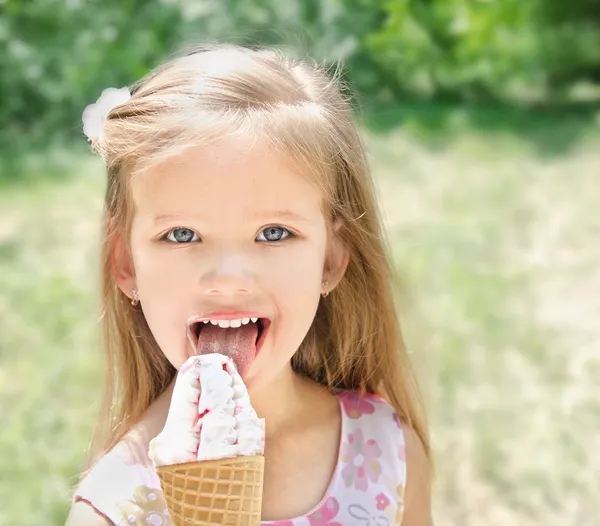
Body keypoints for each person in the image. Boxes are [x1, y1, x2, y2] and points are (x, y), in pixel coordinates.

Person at [66, 42, 433, 526]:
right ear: (126, 263)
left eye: (273, 233)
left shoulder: (387, 452)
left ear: (332, 258)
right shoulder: (114, 508)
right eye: (182, 234)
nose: (228, 278)